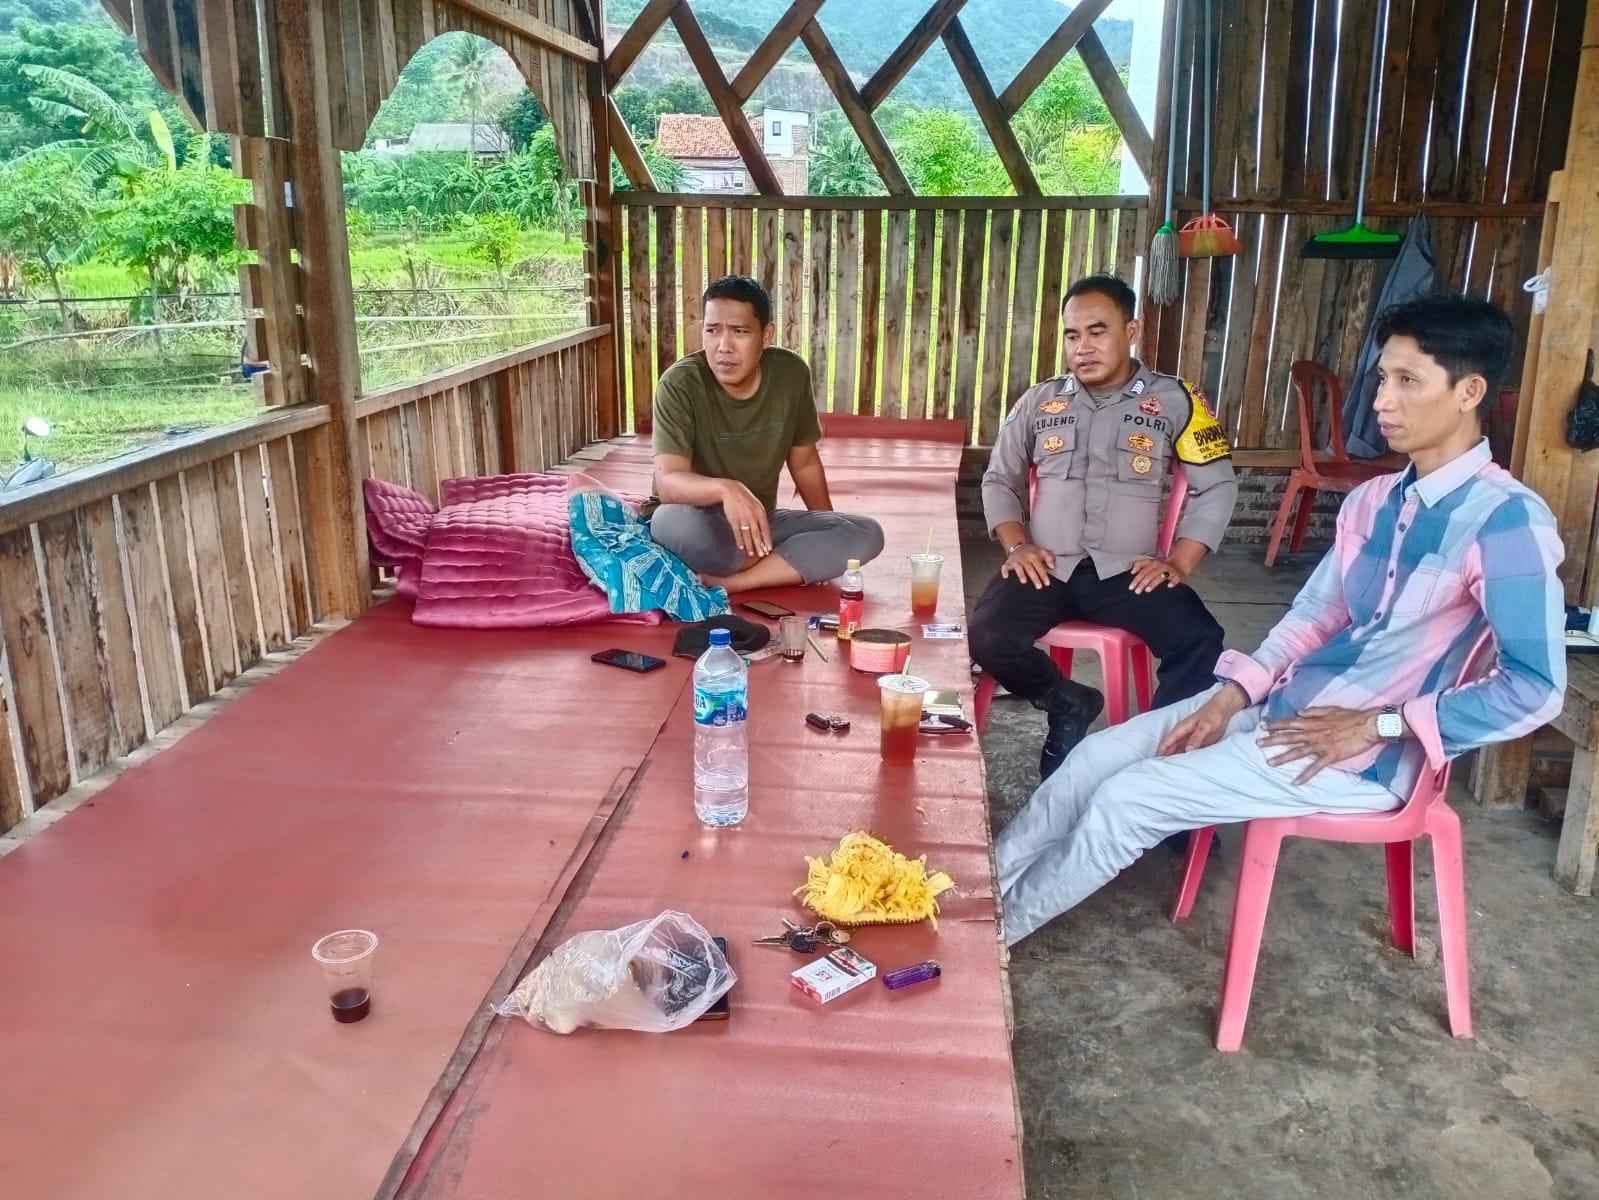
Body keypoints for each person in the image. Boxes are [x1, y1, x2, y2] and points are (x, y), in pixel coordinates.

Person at [995, 295, 1565, 946]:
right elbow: (1316, 615)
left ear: (1469, 391)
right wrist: (1229, 698)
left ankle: (994, 936)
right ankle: (966, 897)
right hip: (1286, 707)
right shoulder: (1374, 501)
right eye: (1382, 378)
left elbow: (1533, 688)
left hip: (1365, 757)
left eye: (1408, 380)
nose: (1382, 401)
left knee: (1128, 798)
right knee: (1092, 760)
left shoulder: (1506, 520)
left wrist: (1380, 724)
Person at [971, 274, 1239, 781]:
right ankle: (1066, 701)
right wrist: (1017, 544)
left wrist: (1179, 563)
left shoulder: (1176, 400)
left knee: (1200, 640)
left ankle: (1156, 765)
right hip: (1046, 566)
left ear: (1130, 331)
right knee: (987, 634)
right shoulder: (1039, 401)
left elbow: (1218, 486)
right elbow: (999, 479)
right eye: (1073, 335)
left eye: (1098, 332)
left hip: (1128, 573)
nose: (1083, 348)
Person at [646, 275, 884, 594]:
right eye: (712, 330)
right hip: (697, 521)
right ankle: (782, 563)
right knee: (668, 522)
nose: (723, 346)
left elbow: (805, 463)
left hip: (761, 524)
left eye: (740, 331)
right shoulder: (679, 384)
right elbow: (669, 483)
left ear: (766, 335)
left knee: (866, 533)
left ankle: (736, 581)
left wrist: (829, 527)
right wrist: (727, 489)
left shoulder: (790, 374)